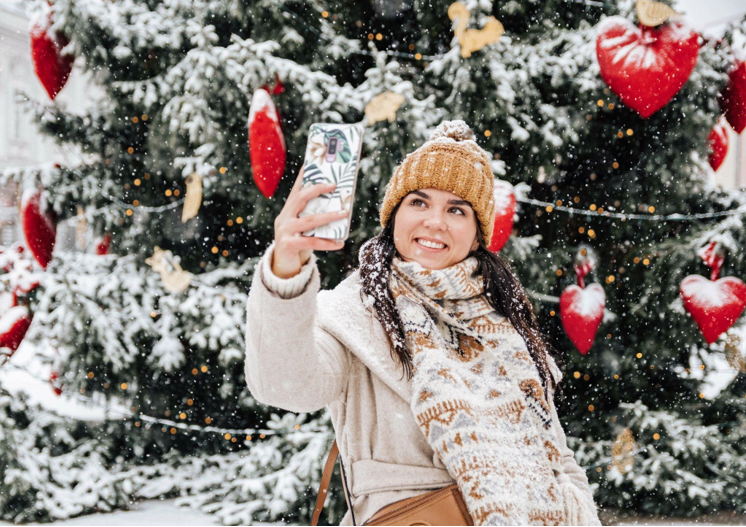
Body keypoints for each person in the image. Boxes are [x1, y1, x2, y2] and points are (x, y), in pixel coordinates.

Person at [244, 120, 601, 526]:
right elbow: (285, 385)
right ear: (394, 214)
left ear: (477, 234)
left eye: (456, 209)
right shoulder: (353, 311)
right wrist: (286, 274)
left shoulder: (503, 322)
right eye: (419, 202)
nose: (435, 221)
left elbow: (555, 452)